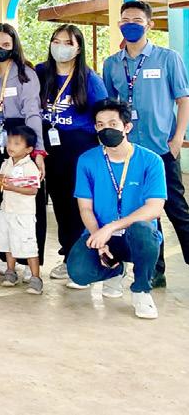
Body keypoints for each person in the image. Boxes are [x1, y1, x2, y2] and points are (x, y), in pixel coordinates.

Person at [102, 0, 189, 289]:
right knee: (145, 215)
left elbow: (183, 100)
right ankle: (155, 270)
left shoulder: (168, 58)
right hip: (130, 153)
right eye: (125, 20)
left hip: (162, 150)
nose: (131, 25)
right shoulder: (112, 64)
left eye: (138, 20)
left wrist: (177, 139)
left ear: (149, 24)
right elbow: (111, 108)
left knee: (177, 210)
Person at [68, 98, 166, 319]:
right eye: (100, 125)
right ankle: (115, 269)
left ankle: (141, 291)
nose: (106, 129)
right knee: (78, 272)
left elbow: (154, 208)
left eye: (113, 124)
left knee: (143, 230)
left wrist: (111, 227)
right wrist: (98, 235)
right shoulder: (87, 160)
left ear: (127, 127)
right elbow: (85, 208)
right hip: (102, 234)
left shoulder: (151, 161)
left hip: (135, 236)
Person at [36, 24, 108, 284]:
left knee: (78, 206)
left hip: (79, 151)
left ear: (78, 48)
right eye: (56, 41)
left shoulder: (89, 79)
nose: (61, 47)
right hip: (49, 150)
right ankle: (68, 256)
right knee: (60, 206)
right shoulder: (41, 72)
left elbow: (103, 114)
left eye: (68, 43)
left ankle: (81, 262)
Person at [0, 23, 46, 280]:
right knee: (0, 198)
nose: (0, 49)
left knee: (29, 202)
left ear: (14, 46)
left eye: (6, 45)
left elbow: (33, 113)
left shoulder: (26, 74)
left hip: (21, 137)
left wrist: (36, 151)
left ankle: (31, 261)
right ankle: (7, 259)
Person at [0, 126, 43, 294]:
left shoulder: (30, 166)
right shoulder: (6, 163)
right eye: (9, 142)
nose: (11, 146)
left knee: (28, 246)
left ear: (28, 149)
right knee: (8, 243)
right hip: (6, 211)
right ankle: (10, 272)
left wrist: (12, 187)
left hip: (23, 214)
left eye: (16, 143)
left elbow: (33, 190)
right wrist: (0, 181)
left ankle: (36, 278)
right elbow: (0, 182)